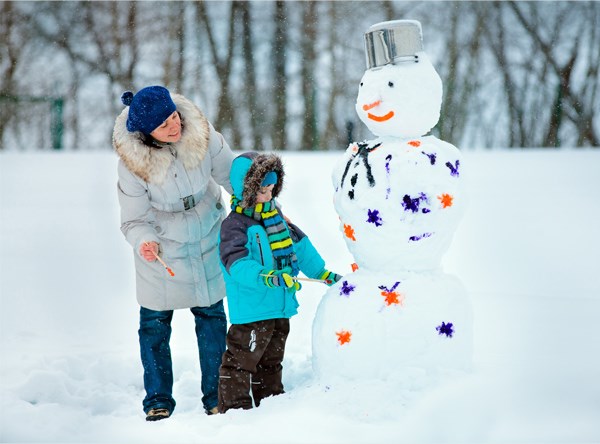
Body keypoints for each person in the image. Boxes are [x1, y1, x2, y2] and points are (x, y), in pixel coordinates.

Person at [112, 85, 235, 421]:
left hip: (206, 233)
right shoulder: (132, 165)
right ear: (146, 133)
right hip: (161, 248)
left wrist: (259, 202)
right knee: (154, 325)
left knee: (211, 317)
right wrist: (144, 241)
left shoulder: (203, 136)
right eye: (163, 124)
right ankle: (157, 399)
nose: (173, 125)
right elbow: (134, 220)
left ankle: (216, 395)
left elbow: (231, 174)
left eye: (173, 116)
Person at [217, 151, 342, 413]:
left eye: (272, 189)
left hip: (279, 305)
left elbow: (300, 248)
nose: (269, 195)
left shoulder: (277, 219)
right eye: (263, 190)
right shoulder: (235, 225)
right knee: (241, 360)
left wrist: (321, 273)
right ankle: (234, 409)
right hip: (251, 310)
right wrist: (267, 277)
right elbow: (236, 264)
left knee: (271, 360)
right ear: (246, 190)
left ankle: (271, 404)